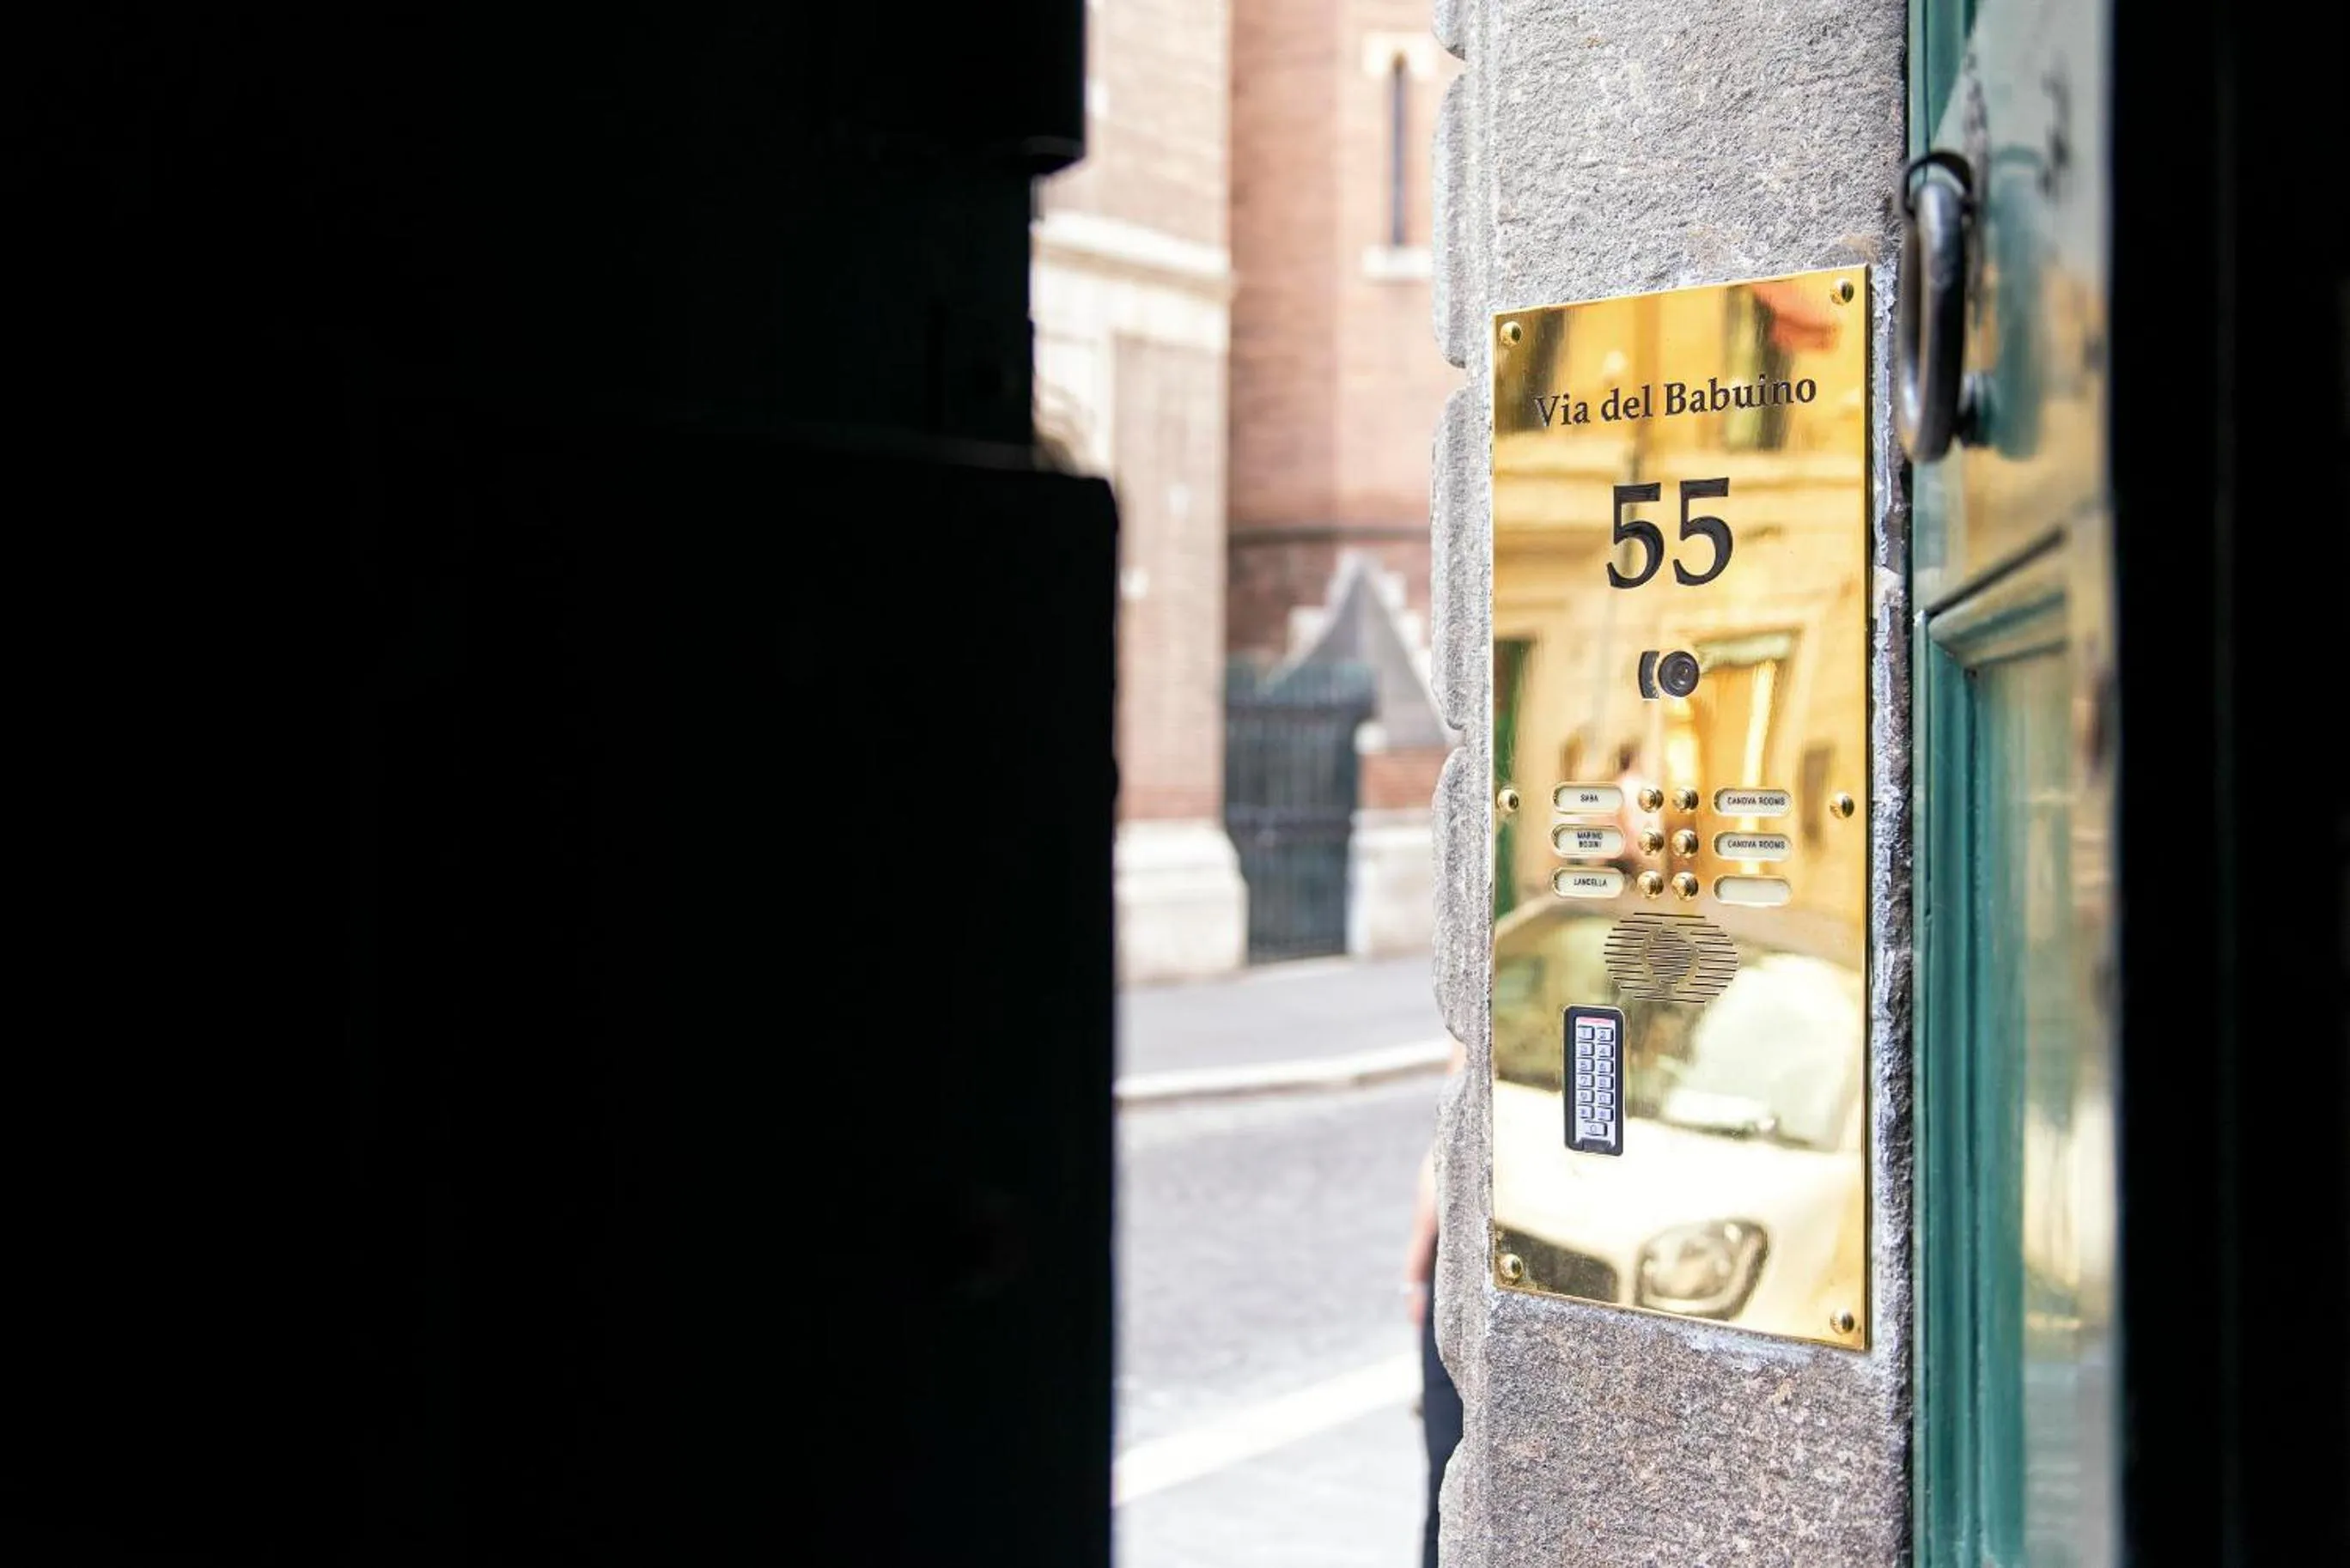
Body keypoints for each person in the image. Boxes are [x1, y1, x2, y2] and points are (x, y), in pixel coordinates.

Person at [1403, 1036, 1469, 1568]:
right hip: (1460, 1259)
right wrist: (1417, 1267)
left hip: (1462, 1259)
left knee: (1449, 1488)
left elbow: (1446, 1142)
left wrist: (1416, 1269)